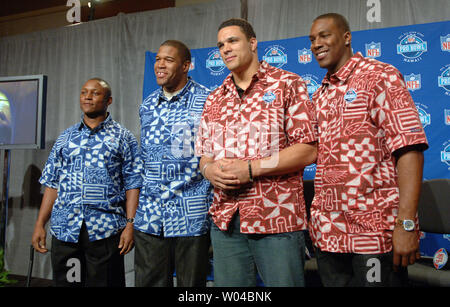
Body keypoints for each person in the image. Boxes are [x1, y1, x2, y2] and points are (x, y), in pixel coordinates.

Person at [308, 13, 428, 287]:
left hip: (373, 236)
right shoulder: (321, 93)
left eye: (324, 35)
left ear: (347, 37)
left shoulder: (380, 76)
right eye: (312, 39)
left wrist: (406, 224)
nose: (316, 44)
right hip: (329, 235)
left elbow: (409, 149)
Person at [195, 18, 317, 287]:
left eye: (233, 41)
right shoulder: (215, 97)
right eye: (220, 45)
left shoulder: (287, 84)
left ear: (252, 43)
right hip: (226, 220)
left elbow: (307, 150)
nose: (225, 49)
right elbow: (204, 154)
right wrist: (208, 170)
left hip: (276, 220)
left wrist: (251, 169)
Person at [31, 78, 142, 287]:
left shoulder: (123, 137)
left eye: (94, 93)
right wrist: (40, 224)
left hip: (105, 231)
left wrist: (130, 225)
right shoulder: (66, 138)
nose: (88, 97)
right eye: (84, 92)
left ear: (108, 100)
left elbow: (133, 184)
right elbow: (52, 183)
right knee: (70, 283)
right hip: (66, 232)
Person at [134, 40, 212, 287]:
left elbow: (215, 155)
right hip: (150, 215)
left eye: (168, 60)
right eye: (158, 59)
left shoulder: (207, 101)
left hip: (191, 214)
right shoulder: (147, 105)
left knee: (191, 287)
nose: (160, 64)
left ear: (186, 66)